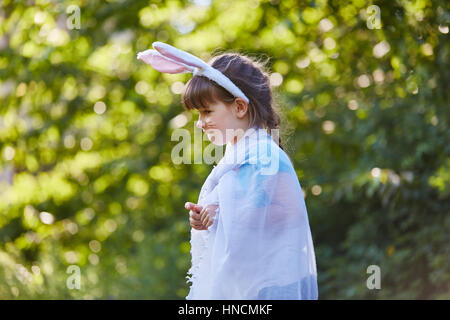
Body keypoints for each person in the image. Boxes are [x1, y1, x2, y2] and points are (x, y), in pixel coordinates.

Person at [137, 42, 318, 300]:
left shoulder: (264, 155)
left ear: (240, 107)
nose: (200, 123)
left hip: (270, 286)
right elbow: (237, 214)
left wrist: (223, 213)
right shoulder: (236, 158)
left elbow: (289, 215)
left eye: (207, 111)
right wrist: (206, 219)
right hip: (246, 285)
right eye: (198, 114)